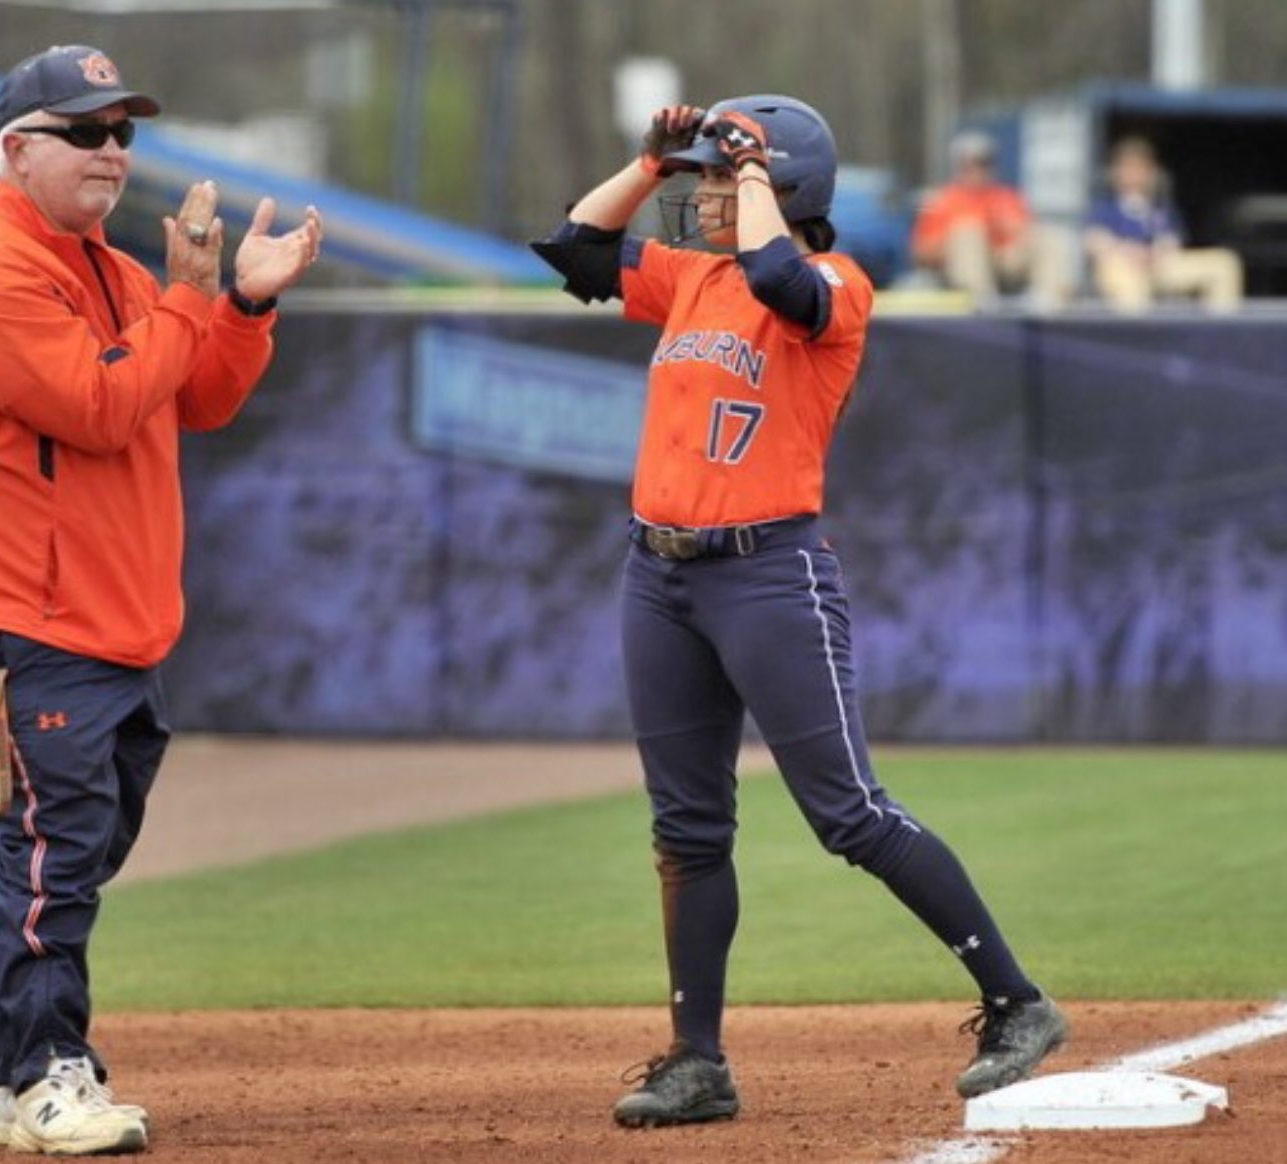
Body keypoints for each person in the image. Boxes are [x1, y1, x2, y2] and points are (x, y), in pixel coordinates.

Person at [530, 96, 1066, 1128]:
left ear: (787, 189)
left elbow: (783, 280)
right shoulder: (692, 279)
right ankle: (696, 1063)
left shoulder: (832, 283)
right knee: (686, 829)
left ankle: (1016, 1001)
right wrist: (650, 164)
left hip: (768, 575)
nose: (706, 200)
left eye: (722, 182)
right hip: (660, 575)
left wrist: (755, 175)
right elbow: (575, 247)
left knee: (846, 813)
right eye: (705, 183)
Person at [0, 44, 322, 1155]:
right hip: (16, 605)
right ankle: (46, 1072)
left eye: (122, 131)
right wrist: (188, 295)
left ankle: (4, 1074)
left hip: (109, 609)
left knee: (72, 837)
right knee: (53, 839)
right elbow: (98, 405)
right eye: (85, 132)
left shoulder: (109, 269)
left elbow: (201, 397)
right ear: (17, 150)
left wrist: (236, 302)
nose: (113, 151)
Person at [1084, 136, 1243, 313]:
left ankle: (1221, 332)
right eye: (1129, 167)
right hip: (1123, 265)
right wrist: (1130, 252)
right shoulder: (1105, 207)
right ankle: (1141, 336)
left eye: (1141, 168)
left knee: (1223, 262)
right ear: (1116, 172)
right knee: (1124, 277)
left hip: (1159, 265)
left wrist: (1157, 253)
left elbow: (1172, 240)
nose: (1135, 174)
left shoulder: (1161, 208)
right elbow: (1095, 242)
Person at [910, 129, 1068, 306]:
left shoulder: (1007, 197)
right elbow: (921, 253)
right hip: (958, 270)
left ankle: (1049, 301)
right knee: (969, 232)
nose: (978, 169)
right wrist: (957, 237)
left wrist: (1011, 229)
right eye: (971, 163)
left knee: (1048, 234)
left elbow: (1027, 233)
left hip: (1004, 264)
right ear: (959, 165)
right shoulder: (940, 201)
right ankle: (983, 303)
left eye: (985, 162)